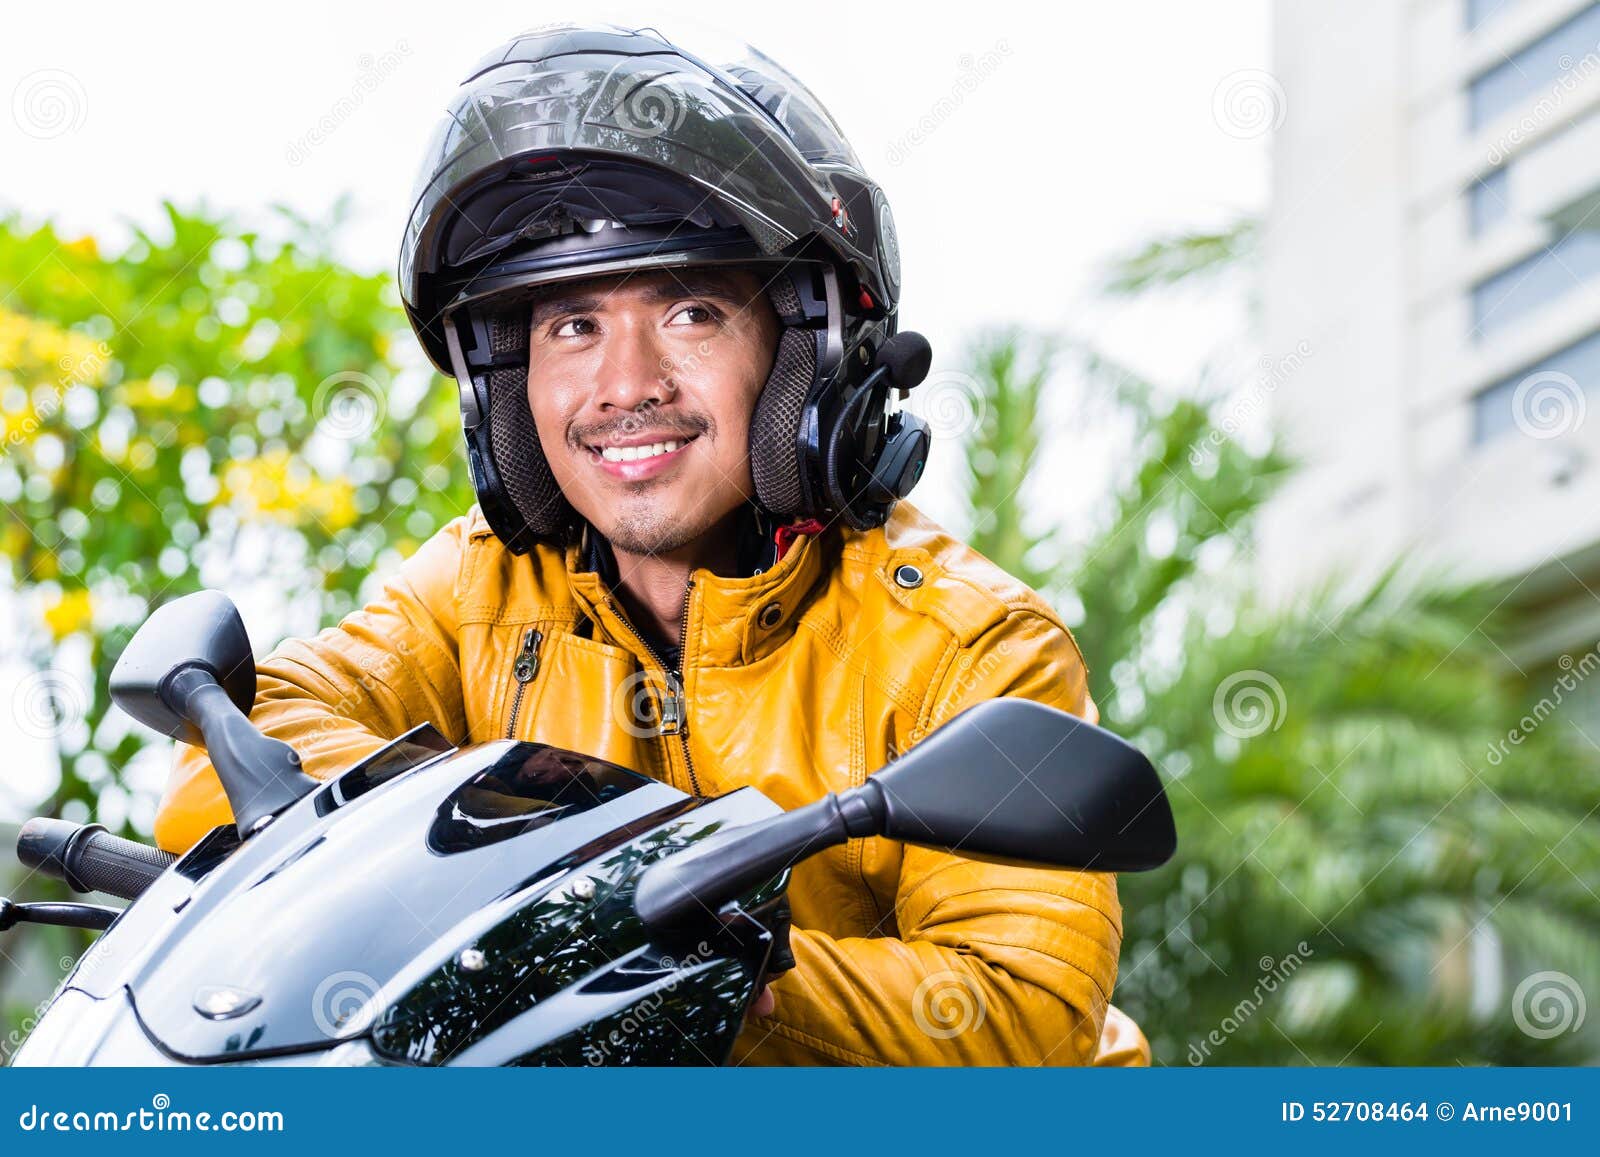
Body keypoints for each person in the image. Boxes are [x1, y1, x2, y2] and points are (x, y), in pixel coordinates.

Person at [153, 21, 1151, 1066]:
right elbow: (242, 749)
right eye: (571, 325)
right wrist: (536, 871)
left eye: (688, 310)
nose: (625, 384)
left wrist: (685, 949)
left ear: (805, 360)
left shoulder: (970, 643)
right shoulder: (478, 590)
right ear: (506, 387)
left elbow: (1022, 1010)